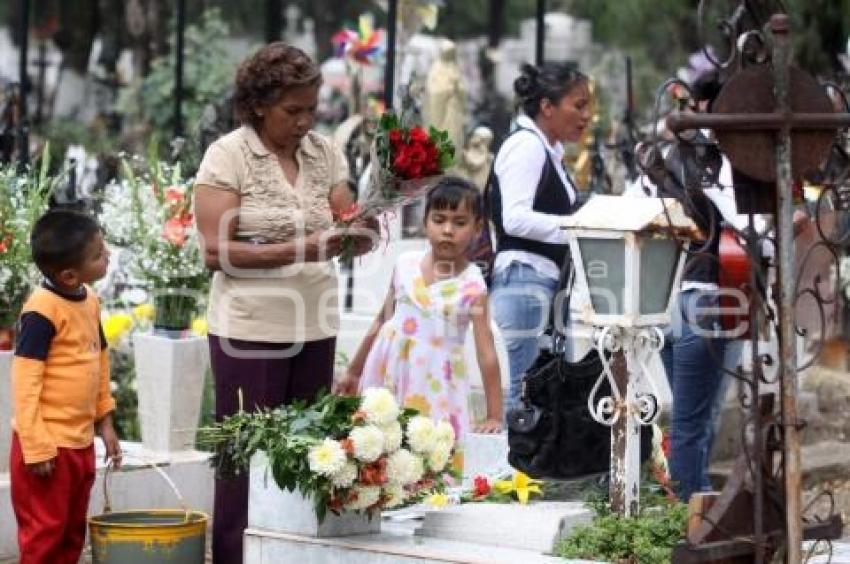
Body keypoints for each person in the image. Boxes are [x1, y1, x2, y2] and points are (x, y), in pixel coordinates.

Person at [193, 43, 376, 564]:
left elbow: (346, 219)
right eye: (291, 111)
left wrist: (363, 228)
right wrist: (303, 248)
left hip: (314, 323)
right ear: (257, 105)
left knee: (309, 453)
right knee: (244, 455)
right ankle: (233, 555)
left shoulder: (325, 152)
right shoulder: (228, 155)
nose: (303, 121)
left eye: (311, 109)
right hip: (248, 330)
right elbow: (214, 251)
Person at [337, 177, 503, 446]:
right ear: (425, 221)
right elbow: (382, 318)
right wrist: (354, 371)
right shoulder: (405, 265)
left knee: (429, 453)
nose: (447, 230)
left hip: (436, 382)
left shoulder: (473, 285)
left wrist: (494, 415)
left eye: (459, 222)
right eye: (439, 219)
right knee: (380, 447)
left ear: (477, 228)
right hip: (388, 371)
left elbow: (486, 352)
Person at [10, 209, 121, 564]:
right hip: (48, 448)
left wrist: (105, 420)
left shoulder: (88, 299)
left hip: (79, 444)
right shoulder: (42, 310)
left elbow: (99, 357)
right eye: (98, 255)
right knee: (45, 534)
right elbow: (25, 380)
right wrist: (36, 445)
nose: (108, 257)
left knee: (73, 532)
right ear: (69, 274)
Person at [487, 62, 591, 412]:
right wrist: (578, 229)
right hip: (523, 277)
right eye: (578, 105)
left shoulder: (548, 151)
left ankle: (524, 466)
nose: (587, 115)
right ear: (547, 106)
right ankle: (512, 466)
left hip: (538, 280)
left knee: (535, 392)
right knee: (524, 392)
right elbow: (514, 219)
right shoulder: (526, 147)